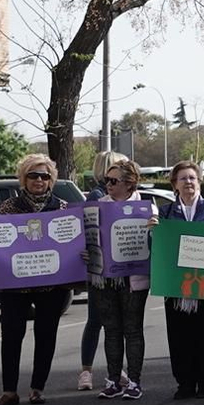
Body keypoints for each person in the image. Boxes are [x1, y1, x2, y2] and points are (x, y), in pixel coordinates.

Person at [0, 154, 75, 405]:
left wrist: (80, 255)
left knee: (46, 335)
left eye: (45, 176)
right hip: (14, 285)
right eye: (33, 175)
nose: (39, 180)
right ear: (23, 178)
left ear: (52, 180)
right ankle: (9, 391)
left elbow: (71, 244)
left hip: (51, 285)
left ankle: (37, 388)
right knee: (11, 335)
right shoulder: (9, 207)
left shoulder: (63, 208)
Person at [157, 160, 204, 398]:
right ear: (174, 184)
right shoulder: (165, 212)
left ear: (199, 182)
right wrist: (151, 232)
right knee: (179, 337)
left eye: (192, 178)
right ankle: (185, 382)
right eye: (183, 178)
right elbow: (157, 249)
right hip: (176, 286)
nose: (188, 182)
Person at [91, 158, 151, 400]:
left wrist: (154, 229)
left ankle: (134, 381)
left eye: (113, 180)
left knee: (133, 330)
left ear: (130, 183)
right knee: (111, 330)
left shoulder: (147, 208)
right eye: (106, 180)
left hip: (134, 280)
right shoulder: (98, 207)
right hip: (105, 280)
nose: (108, 184)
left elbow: (157, 242)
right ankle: (114, 380)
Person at [77, 149, 127, 392]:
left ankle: (113, 369)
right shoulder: (98, 196)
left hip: (113, 267)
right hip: (100, 270)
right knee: (98, 320)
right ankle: (87, 371)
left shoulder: (114, 194)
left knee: (109, 322)